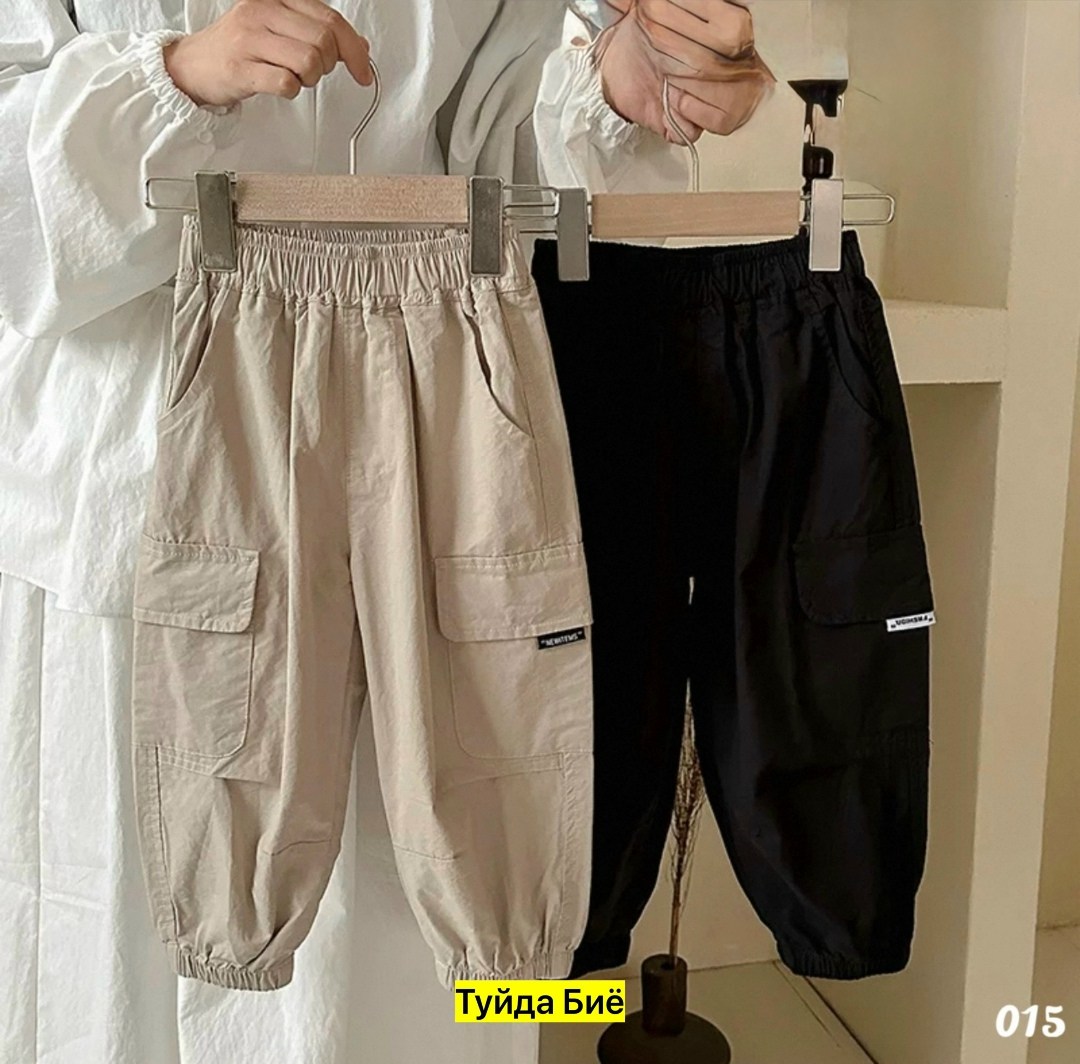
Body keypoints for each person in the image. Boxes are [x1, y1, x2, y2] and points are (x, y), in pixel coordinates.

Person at [0, 2, 770, 1061]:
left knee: (450, 958)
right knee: (138, 945)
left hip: (447, 410)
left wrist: (617, 93)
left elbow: (517, 181)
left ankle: (516, 978)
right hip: (139, 470)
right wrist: (174, 78)